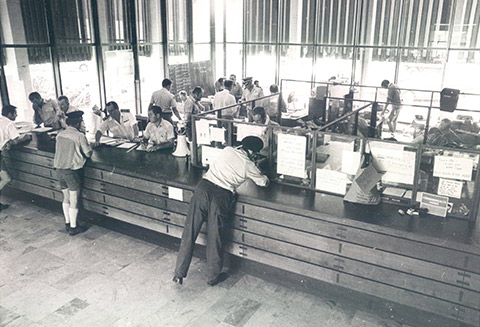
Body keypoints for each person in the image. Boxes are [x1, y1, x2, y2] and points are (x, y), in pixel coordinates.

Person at [173, 136, 269, 286]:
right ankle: (212, 277)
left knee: (189, 231)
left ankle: (178, 273)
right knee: (215, 236)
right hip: (221, 196)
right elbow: (263, 182)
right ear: (252, 152)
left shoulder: (228, 150)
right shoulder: (248, 164)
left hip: (203, 188)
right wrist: (259, 169)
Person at [54, 111, 92, 236]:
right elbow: (88, 153)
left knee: (66, 198)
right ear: (77, 123)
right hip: (71, 171)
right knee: (74, 199)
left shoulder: (60, 134)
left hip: (59, 170)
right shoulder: (79, 136)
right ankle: (74, 227)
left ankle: (67, 222)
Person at [0, 105, 32, 211]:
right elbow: (15, 140)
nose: (16, 115)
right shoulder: (9, 124)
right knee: (6, 178)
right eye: (15, 113)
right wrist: (26, 137)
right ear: (10, 114)